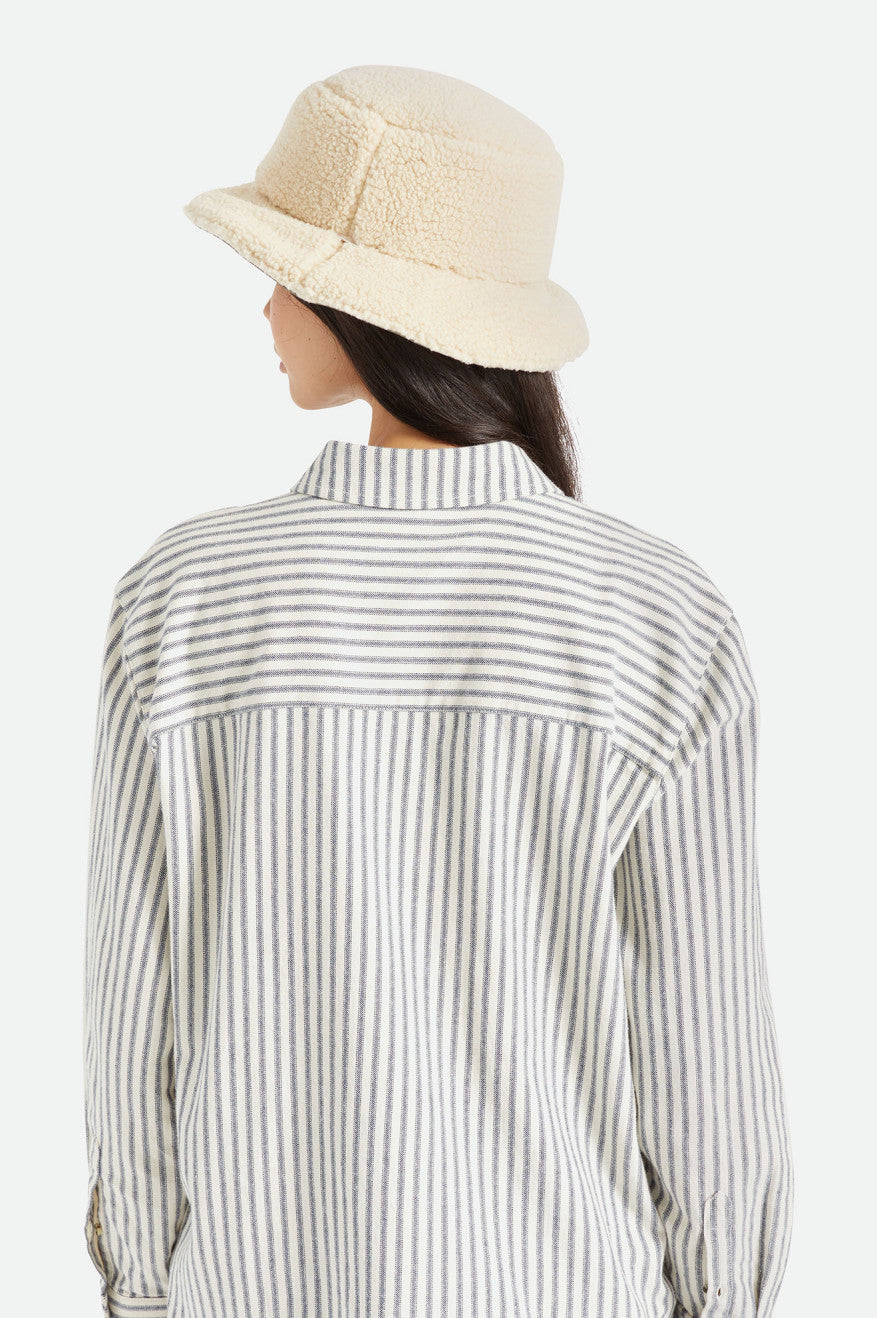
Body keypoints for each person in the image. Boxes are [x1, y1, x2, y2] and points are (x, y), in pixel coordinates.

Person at [82, 64, 794, 1318]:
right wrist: (721, 1294)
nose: (264, 303)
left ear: (364, 309)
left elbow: (131, 1021)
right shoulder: (655, 614)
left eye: (285, 271)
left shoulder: (183, 598)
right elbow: (706, 1050)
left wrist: (141, 1285)